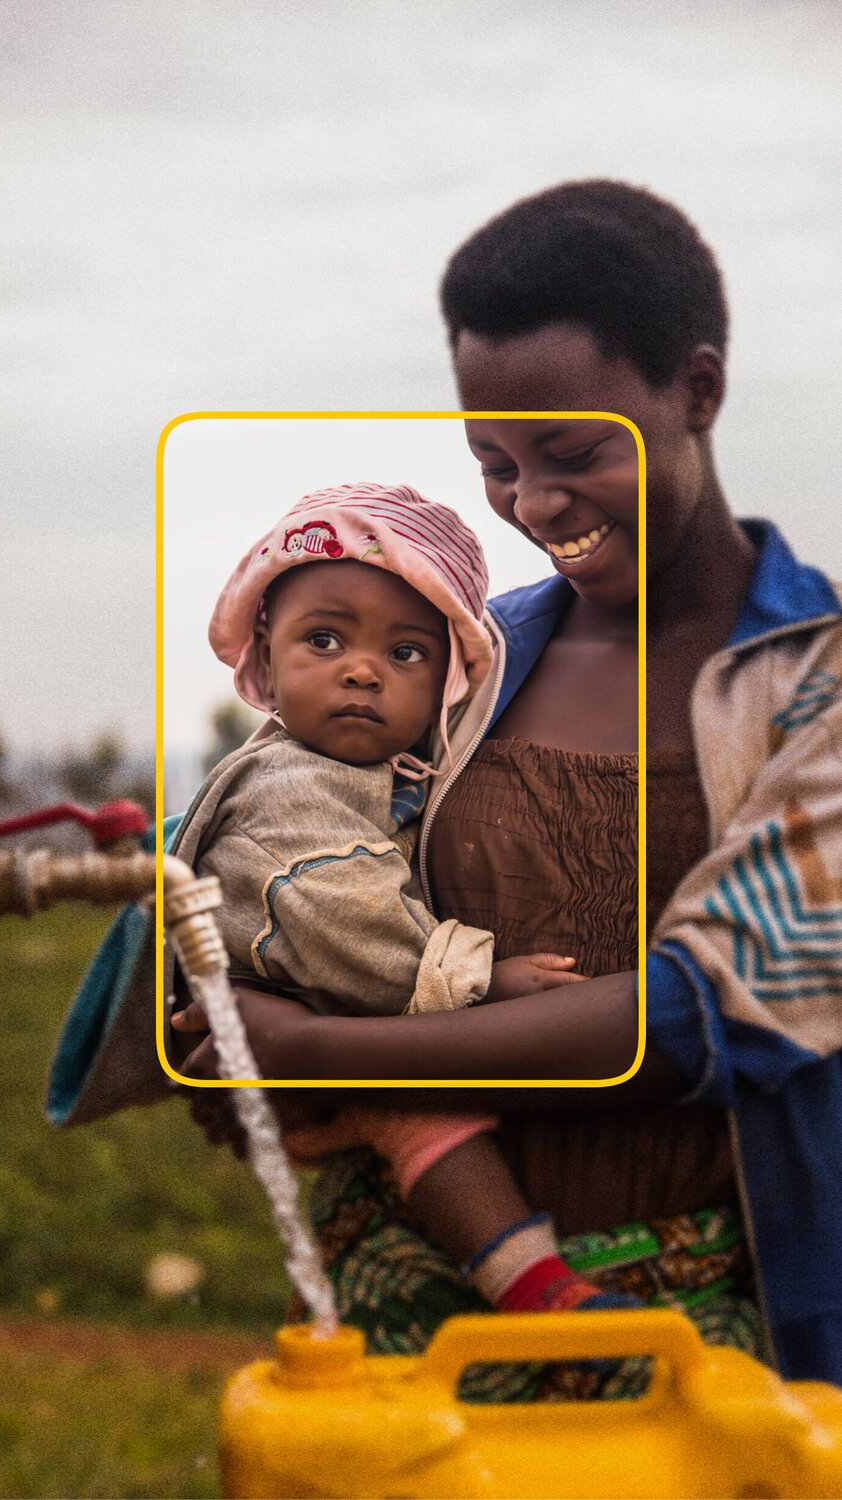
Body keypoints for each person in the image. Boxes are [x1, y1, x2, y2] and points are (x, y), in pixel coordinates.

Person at [176, 181, 842, 1394]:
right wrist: (223, 1015)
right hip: (415, 1297)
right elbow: (295, 846)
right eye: (495, 464)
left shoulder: (813, 684)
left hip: (704, 1315)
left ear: (696, 391)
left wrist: (319, 1053)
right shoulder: (462, 660)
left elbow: (700, 1016)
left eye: (576, 453)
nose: (537, 508)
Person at [169, 478, 643, 1325]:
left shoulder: (379, 778)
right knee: (426, 1111)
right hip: (284, 1040)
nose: (362, 670)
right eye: (325, 639)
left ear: (448, 685)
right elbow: (336, 915)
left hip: (301, 1037)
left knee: (421, 1125)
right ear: (267, 659)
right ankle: (538, 1292)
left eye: (406, 654)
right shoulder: (291, 785)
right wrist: (476, 981)